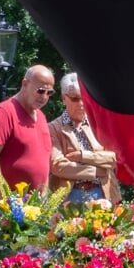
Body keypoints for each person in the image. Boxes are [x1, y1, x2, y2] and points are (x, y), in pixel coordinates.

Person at [0, 64, 55, 200]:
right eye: (40, 91)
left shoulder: (41, 116)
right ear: (25, 84)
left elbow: (44, 160)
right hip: (4, 201)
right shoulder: (5, 112)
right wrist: (5, 199)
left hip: (34, 202)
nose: (44, 97)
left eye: (49, 92)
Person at [49, 73, 121, 207]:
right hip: (71, 196)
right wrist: (95, 171)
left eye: (84, 98)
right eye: (75, 99)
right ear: (64, 99)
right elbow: (57, 166)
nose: (81, 104)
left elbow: (115, 157)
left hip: (105, 192)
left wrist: (82, 156)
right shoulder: (54, 128)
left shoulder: (101, 123)